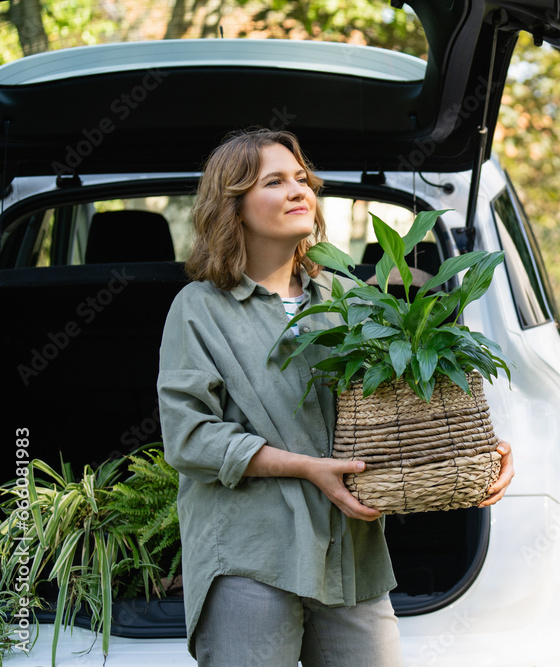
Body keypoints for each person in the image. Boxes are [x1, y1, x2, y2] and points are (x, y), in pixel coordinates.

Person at [156, 128, 514, 667]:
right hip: (252, 558)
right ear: (232, 205)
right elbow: (190, 438)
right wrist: (307, 467)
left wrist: (470, 449)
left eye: (302, 179)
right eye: (274, 181)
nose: (299, 190)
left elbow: (400, 402)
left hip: (353, 557)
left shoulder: (349, 297)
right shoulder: (200, 308)